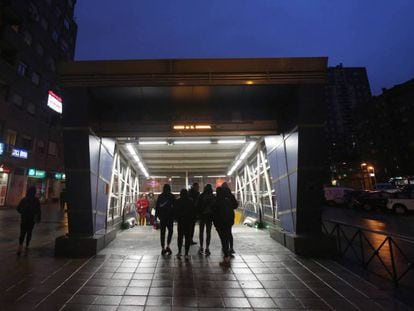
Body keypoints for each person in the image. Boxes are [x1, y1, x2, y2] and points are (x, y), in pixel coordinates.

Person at [212, 187, 235, 267]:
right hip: (228, 223)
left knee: (223, 239)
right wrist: (231, 222)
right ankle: (227, 254)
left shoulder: (216, 202)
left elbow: (214, 214)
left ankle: (226, 256)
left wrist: (215, 224)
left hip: (220, 224)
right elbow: (232, 212)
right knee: (227, 238)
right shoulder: (227, 201)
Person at [16, 186, 41, 256]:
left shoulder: (24, 199)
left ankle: (20, 247)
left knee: (22, 233)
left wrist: (23, 212)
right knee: (29, 232)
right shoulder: (36, 200)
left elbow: (18, 208)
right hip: (31, 219)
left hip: (24, 219)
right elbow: (38, 210)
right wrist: (38, 218)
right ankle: (26, 246)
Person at [174, 189, 196, 260]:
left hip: (181, 221)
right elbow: (193, 211)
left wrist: (177, 218)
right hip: (188, 222)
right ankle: (186, 253)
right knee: (187, 238)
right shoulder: (190, 201)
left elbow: (175, 211)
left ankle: (179, 251)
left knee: (180, 237)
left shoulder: (178, 201)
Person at [155, 184, 175, 255]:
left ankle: (163, 248)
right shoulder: (172, 196)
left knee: (162, 233)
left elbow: (157, 207)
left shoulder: (160, 196)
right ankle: (168, 246)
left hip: (163, 217)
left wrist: (156, 217)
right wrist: (174, 216)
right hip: (170, 217)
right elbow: (175, 207)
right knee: (170, 231)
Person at [197, 184, 215, 255]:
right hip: (209, 217)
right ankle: (207, 247)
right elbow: (215, 207)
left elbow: (197, 206)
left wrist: (198, 215)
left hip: (202, 216)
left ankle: (201, 247)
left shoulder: (201, 196)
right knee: (208, 232)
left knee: (201, 232)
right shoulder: (213, 196)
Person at [221, 182, 238, 255]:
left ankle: (225, 247)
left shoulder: (220, 197)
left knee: (223, 233)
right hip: (230, 216)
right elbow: (235, 205)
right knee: (229, 232)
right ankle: (231, 247)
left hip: (222, 217)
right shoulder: (231, 196)